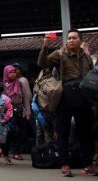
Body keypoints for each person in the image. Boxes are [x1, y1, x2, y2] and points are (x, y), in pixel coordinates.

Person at [38, 29, 97, 177]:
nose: (71, 40)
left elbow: (91, 81)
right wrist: (45, 46)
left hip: (83, 98)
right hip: (64, 97)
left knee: (85, 133)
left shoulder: (87, 58)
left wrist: (93, 103)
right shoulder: (60, 54)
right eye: (69, 38)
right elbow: (42, 63)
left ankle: (87, 165)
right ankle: (65, 164)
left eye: (74, 38)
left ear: (81, 41)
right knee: (62, 133)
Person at [2, 64, 31, 161]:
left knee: (19, 132)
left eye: (14, 72)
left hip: (19, 110)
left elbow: (25, 98)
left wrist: (28, 112)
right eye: (10, 72)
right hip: (8, 111)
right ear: (6, 73)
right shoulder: (3, 85)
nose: (13, 74)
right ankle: (6, 152)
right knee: (9, 132)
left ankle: (16, 152)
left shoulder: (20, 83)